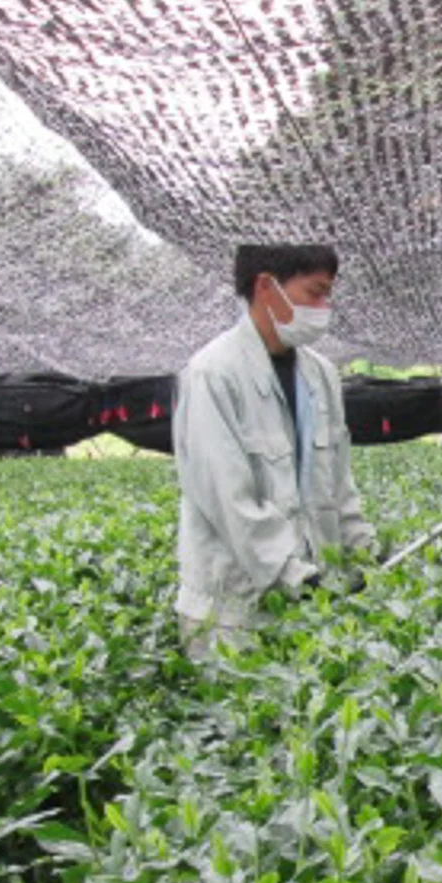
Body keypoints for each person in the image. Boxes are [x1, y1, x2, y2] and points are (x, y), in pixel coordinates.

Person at [172, 243, 375, 659]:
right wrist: (296, 575)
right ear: (266, 286)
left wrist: (365, 551)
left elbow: (338, 482)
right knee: (238, 719)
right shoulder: (213, 374)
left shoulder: (321, 375)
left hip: (304, 606)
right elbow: (227, 496)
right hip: (232, 612)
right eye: (314, 293)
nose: (324, 307)